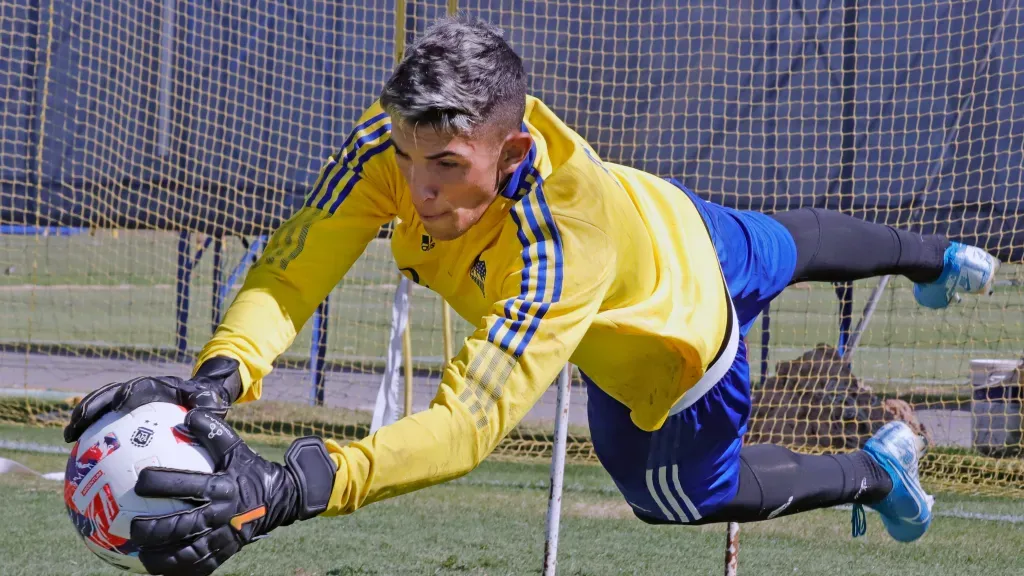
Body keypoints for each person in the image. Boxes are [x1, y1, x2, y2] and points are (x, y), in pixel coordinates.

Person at [64, 16, 1000, 576]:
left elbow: (468, 424)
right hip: (670, 213)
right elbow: (293, 265)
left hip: (680, 348)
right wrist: (221, 376)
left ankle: (878, 469)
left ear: (512, 154)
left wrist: (292, 486)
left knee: (674, 498)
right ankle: (934, 258)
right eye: (404, 156)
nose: (417, 189)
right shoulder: (394, 148)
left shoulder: (558, 248)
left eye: (445, 168)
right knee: (789, 241)